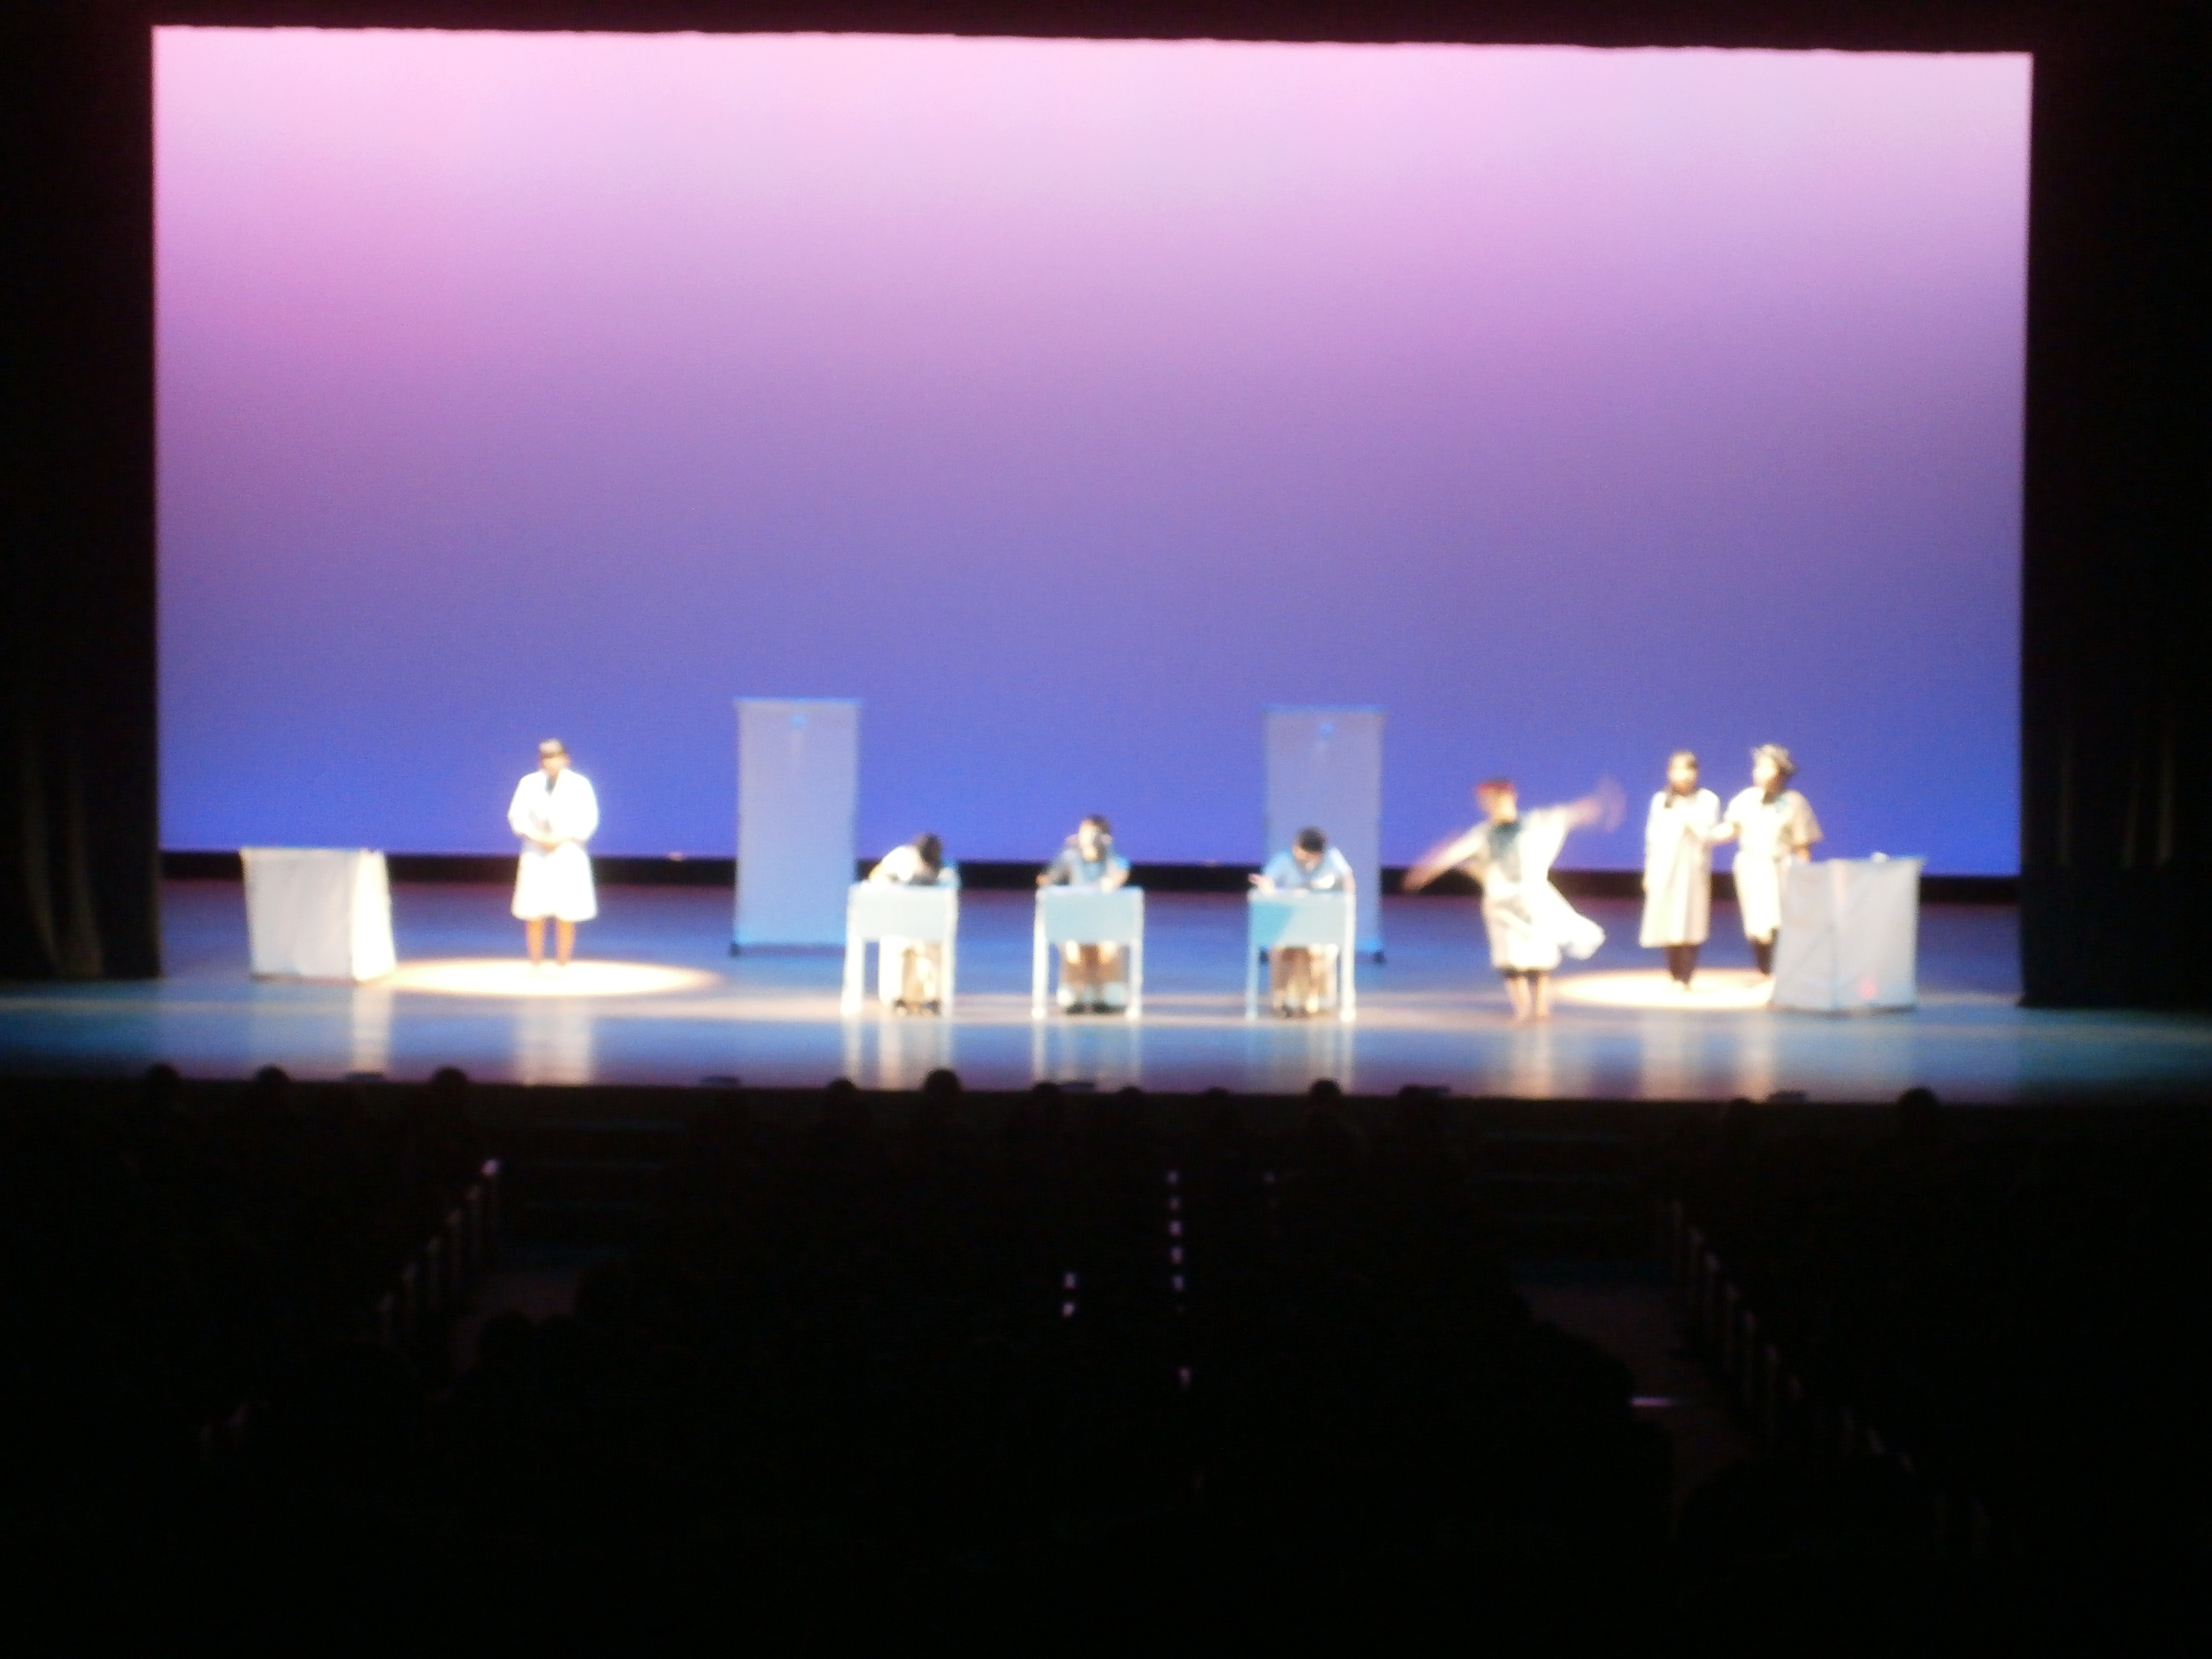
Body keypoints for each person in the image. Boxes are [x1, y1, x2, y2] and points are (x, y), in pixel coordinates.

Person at [1404, 778, 1620, 1022]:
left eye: (1496, 798)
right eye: (1487, 801)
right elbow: (1453, 853)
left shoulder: (1536, 823)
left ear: (1510, 797)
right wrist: (1425, 871)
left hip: (1532, 897)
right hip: (1501, 902)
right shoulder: (1485, 833)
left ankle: (1541, 1007)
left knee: (1540, 953)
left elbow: (1572, 814)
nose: (1491, 804)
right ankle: (1522, 1008)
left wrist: (1599, 805)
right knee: (1509, 957)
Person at [1722, 744, 1823, 975]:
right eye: (1758, 767)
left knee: (1780, 919)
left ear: (1781, 772)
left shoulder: (1794, 802)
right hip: (1751, 867)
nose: (1759, 772)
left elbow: (1802, 844)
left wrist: (1806, 877)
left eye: (1767, 767)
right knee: (1756, 922)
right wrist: (1704, 836)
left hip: (1780, 867)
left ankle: (1784, 972)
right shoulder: (1746, 799)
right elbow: (1731, 829)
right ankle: (1764, 970)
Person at [508, 740, 599, 968]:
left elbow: (589, 818)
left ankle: (563, 964)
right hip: (536, 850)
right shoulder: (528, 783)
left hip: (568, 850)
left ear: (566, 759)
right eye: (546, 758)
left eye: (555, 757)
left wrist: (561, 838)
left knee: (567, 912)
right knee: (534, 912)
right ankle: (535, 963)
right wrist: (537, 837)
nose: (551, 762)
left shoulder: (580, 784)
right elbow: (517, 816)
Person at [1249, 826, 1355, 1016]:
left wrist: (1344, 897)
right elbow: (1269, 880)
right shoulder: (1285, 859)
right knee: (1283, 951)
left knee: (1315, 952)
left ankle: (1312, 1000)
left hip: (1321, 923)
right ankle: (1281, 1000)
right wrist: (1266, 885)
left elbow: (1347, 881)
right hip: (1290, 923)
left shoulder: (1332, 858)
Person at [1640, 751, 1725, 988]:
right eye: (1678, 770)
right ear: (1670, 773)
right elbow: (1653, 838)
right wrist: (1650, 871)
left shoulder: (1707, 800)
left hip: (1693, 869)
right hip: (1665, 868)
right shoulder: (1661, 800)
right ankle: (1674, 974)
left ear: (1696, 773)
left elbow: (1708, 835)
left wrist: (1688, 819)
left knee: (1691, 920)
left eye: (1689, 770)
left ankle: (1687, 976)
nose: (1684, 775)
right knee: (1668, 919)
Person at [1038, 815, 1130, 1012]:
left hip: (1106, 919)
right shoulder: (1070, 855)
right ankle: (1076, 994)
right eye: (1085, 832)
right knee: (1073, 949)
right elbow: (1049, 878)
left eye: (1095, 833)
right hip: (1077, 917)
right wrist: (1050, 879)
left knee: (1109, 949)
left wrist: (1113, 878)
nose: (1089, 837)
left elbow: (1122, 871)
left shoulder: (1112, 856)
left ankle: (1109, 995)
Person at [866, 833, 958, 1014]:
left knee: (930, 956)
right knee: (901, 953)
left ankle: (933, 998)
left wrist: (930, 882)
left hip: (929, 921)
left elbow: (951, 884)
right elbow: (877, 876)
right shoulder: (901, 857)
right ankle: (897, 997)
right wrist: (896, 882)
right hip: (901, 919)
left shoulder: (945, 865)